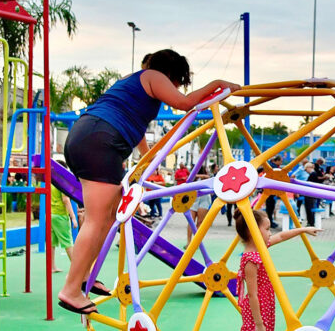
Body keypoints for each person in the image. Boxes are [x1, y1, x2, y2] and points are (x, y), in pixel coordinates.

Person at [58, 50, 239, 314]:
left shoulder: (133, 87)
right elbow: (185, 103)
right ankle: (71, 290)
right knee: (98, 219)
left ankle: (85, 276)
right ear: (172, 72)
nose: (176, 86)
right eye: (178, 80)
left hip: (88, 137)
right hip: (100, 140)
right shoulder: (153, 76)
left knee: (110, 216)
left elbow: (139, 131)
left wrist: (148, 159)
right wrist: (217, 84)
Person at [232, 209, 319, 331]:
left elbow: (281, 236)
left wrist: (304, 229)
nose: (271, 233)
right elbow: (252, 294)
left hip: (265, 307)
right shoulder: (251, 258)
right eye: (267, 228)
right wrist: (259, 323)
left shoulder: (261, 247)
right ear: (253, 231)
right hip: (256, 311)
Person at [50, 166, 78, 273]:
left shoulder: (50, 182)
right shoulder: (62, 183)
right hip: (60, 215)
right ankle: (77, 269)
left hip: (51, 214)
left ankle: (52, 266)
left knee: (52, 243)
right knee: (68, 242)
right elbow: (66, 200)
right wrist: (73, 217)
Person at [188, 165, 212, 245]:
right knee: (191, 221)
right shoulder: (193, 177)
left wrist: (201, 176)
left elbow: (208, 179)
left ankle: (195, 242)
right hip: (193, 198)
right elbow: (189, 181)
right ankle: (189, 242)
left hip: (204, 199)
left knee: (200, 222)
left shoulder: (206, 177)